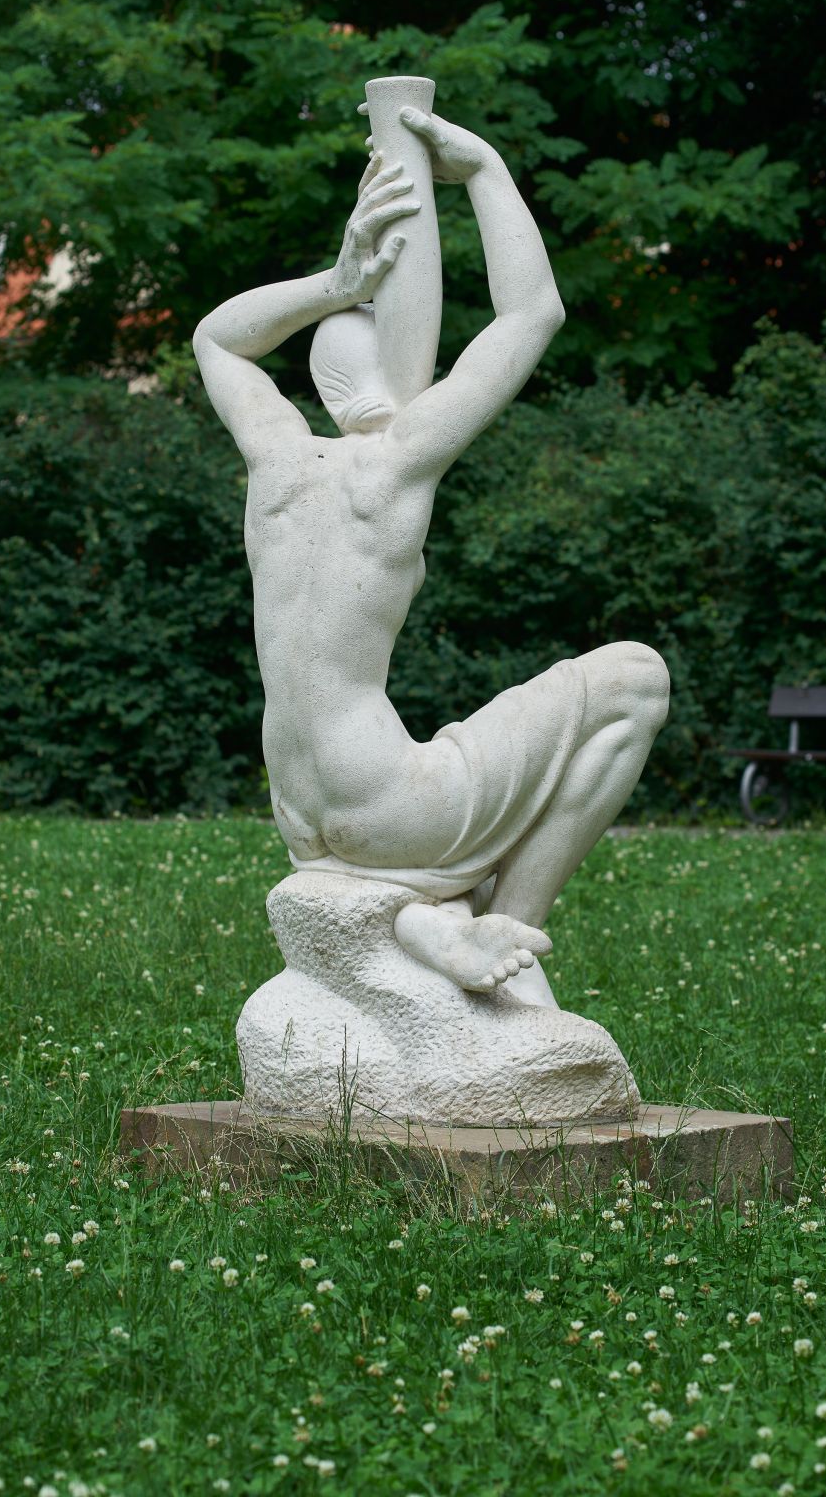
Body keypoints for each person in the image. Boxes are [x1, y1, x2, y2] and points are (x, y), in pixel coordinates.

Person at [194, 108, 669, 1005]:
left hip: (299, 813)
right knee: (635, 680)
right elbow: (532, 312)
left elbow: (216, 337)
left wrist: (338, 282)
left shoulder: (275, 459)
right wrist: (483, 169)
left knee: (399, 830)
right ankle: (507, 930)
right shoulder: (397, 460)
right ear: (397, 377)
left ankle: (421, 919)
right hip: (387, 801)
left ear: (326, 386)